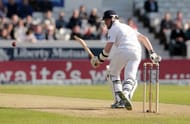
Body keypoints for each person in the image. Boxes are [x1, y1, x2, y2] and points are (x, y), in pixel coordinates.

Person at [90, 10, 161, 110]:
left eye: (106, 20)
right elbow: (144, 38)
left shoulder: (113, 28)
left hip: (123, 50)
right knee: (130, 78)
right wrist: (152, 53)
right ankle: (126, 94)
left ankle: (119, 101)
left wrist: (98, 60)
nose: (105, 23)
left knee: (112, 73)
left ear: (113, 19)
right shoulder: (128, 27)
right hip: (137, 52)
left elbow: (107, 50)